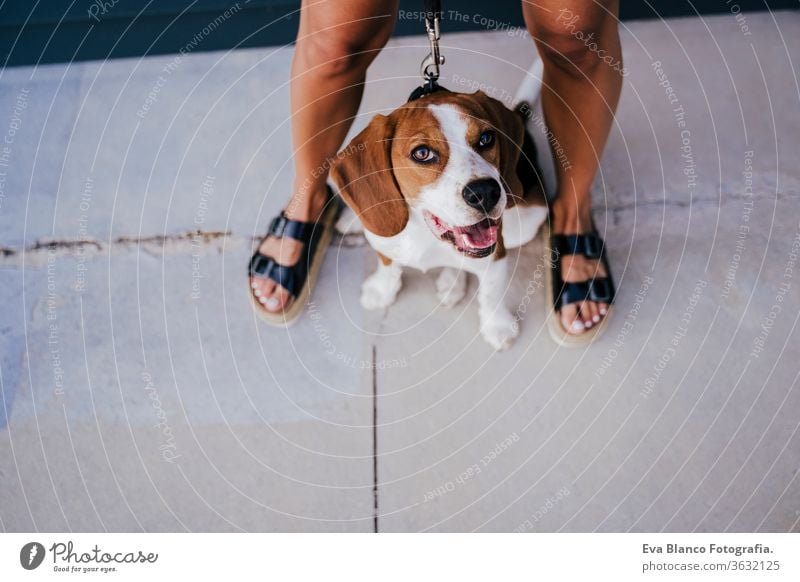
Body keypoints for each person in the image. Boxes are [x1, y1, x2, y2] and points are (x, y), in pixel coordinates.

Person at [248, 0, 622, 338]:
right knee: (334, 40)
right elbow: (384, 221)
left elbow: (496, 255)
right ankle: (310, 199)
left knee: (576, 35)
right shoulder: (381, 201)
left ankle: (572, 212)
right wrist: (385, 273)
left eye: (484, 141)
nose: (481, 182)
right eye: (424, 154)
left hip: (491, 214)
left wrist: (492, 312)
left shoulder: (496, 189)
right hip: (392, 207)